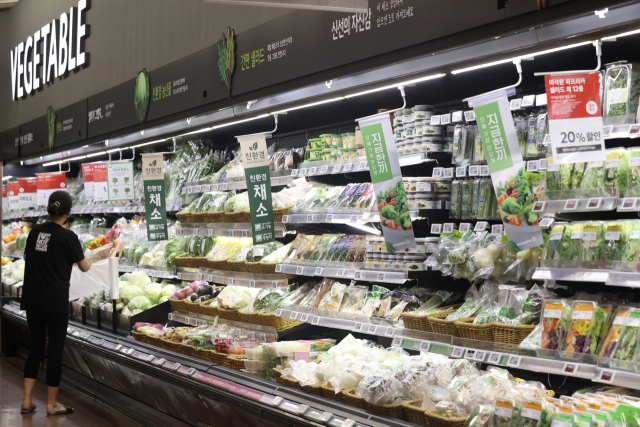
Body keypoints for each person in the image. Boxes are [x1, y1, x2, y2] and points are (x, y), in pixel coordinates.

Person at [19, 190, 92, 416]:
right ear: (69, 212)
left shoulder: (35, 231)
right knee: (55, 352)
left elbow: (28, 257)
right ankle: (51, 405)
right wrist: (91, 257)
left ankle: (26, 401)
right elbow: (84, 267)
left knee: (36, 349)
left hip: (32, 298)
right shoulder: (68, 237)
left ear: (49, 208)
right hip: (55, 301)